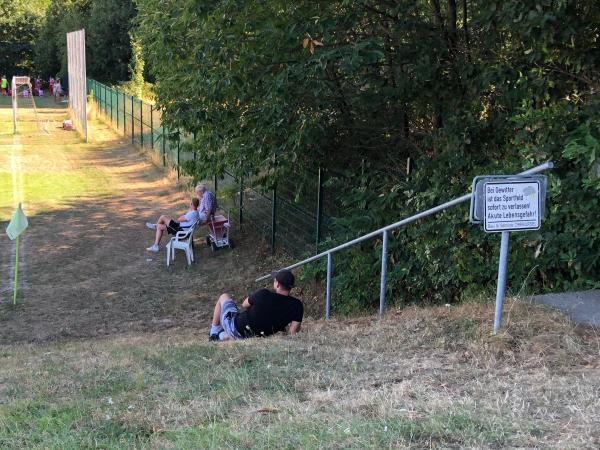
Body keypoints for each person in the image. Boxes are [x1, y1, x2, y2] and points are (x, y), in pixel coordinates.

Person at [208, 269, 303, 341]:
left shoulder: (263, 294)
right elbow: (292, 333)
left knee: (224, 296)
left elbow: (244, 304)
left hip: (235, 326)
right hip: (254, 337)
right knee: (242, 333)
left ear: (277, 284)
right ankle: (220, 336)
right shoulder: (297, 306)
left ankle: (214, 331)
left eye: (274, 280)